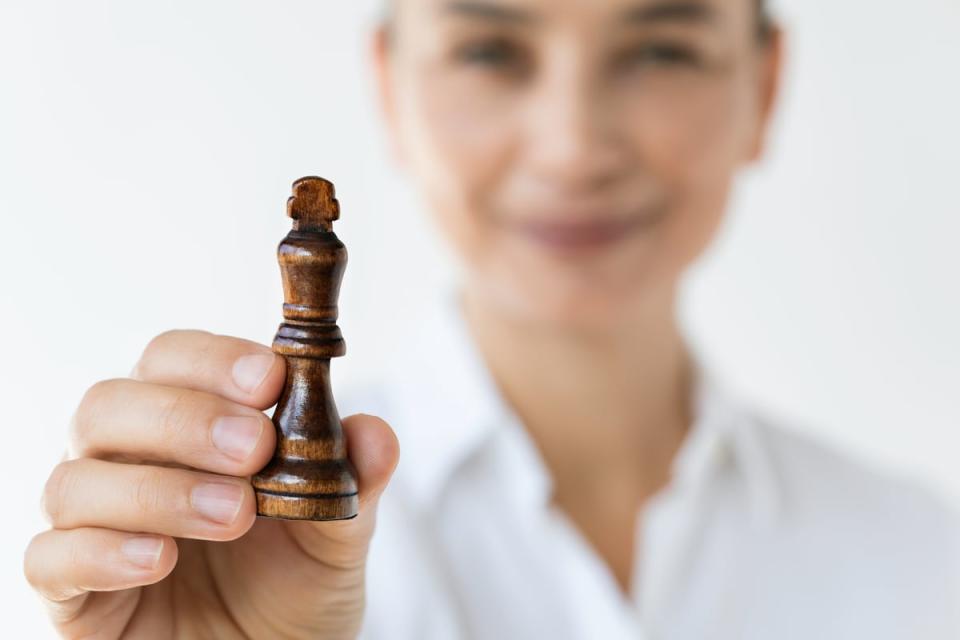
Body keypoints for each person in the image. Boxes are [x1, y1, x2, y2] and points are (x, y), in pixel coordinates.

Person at [23, 0, 959, 638]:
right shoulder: (225, 558)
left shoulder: (924, 562)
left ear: (764, 85)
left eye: (662, 48)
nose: (573, 147)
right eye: (489, 50)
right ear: (392, 89)